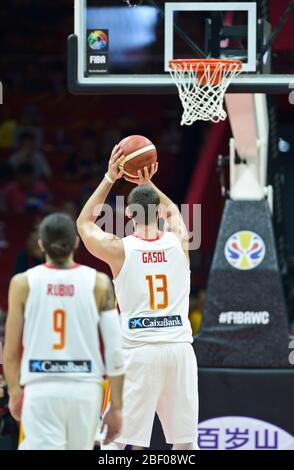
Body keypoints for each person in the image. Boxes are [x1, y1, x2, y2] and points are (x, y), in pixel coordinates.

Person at [77, 145, 199, 450]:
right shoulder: (180, 241)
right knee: (185, 445)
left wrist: (110, 177)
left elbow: (83, 224)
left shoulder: (119, 249)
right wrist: (147, 182)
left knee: (115, 444)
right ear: (157, 212)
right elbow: (172, 211)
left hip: (138, 352)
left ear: (129, 214)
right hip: (178, 350)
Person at [3, 212, 124, 450]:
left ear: (40, 244)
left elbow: (10, 350)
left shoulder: (22, 283)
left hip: (41, 386)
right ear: (76, 243)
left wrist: (15, 392)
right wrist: (117, 407)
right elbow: (114, 350)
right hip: (85, 388)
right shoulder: (99, 282)